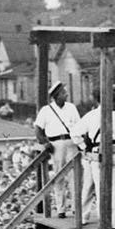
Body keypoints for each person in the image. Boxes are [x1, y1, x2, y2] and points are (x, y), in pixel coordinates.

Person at [71, 88, 115, 229]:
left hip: (98, 153)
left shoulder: (91, 115)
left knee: (100, 188)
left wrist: (84, 146)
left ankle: (103, 222)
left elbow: (74, 133)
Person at [34, 81, 80, 218]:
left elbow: (79, 125)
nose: (66, 95)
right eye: (63, 93)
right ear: (56, 95)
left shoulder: (71, 108)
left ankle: (76, 207)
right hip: (56, 143)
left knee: (74, 176)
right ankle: (61, 208)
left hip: (71, 141)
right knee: (59, 176)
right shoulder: (46, 110)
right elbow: (38, 129)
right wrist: (44, 142)